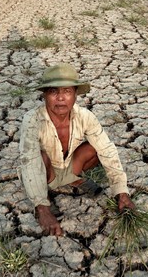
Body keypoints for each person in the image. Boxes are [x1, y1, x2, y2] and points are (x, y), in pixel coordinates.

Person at [18, 63, 136, 236]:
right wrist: (42, 208)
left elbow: (107, 150)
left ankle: (72, 178)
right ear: (44, 95)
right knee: (40, 156)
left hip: (70, 166)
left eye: (67, 91)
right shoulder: (32, 120)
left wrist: (121, 191)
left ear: (75, 95)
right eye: (53, 92)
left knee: (94, 148)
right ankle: (54, 188)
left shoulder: (85, 117)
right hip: (45, 172)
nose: (60, 98)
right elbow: (29, 160)